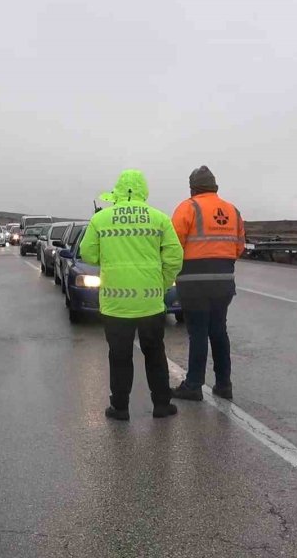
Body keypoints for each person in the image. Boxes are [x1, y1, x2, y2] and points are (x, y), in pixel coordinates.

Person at [80, 170, 184, 421]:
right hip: (149, 301)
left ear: (117, 189)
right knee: (155, 354)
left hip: (116, 303)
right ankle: (161, 405)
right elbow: (174, 256)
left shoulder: (101, 219)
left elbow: (88, 255)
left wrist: (110, 258)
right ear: (143, 190)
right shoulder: (159, 218)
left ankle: (120, 407)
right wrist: (159, 283)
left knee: (119, 356)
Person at [170, 166, 245, 402]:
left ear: (193, 187)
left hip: (194, 284)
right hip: (223, 283)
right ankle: (224, 385)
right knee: (219, 331)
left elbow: (173, 245)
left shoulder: (188, 207)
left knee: (199, 333)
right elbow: (239, 246)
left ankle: (193, 385)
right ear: (215, 187)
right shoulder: (232, 210)